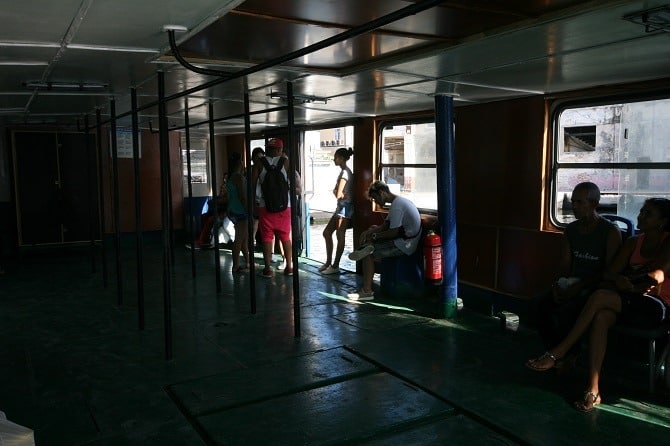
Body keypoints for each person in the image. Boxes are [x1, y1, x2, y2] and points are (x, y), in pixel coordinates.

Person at [526, 198, 670, 412]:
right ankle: (593, 390)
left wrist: (631, 282)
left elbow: (658, 274)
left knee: (601, 296)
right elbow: (611, 272)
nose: (640, 216)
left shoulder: (668, 242)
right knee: (601, 316)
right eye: (641, 211)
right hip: (627, 300)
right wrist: (620, 280)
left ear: (662, 221)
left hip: (657, 304)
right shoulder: (633, 242)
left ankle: (558, 352)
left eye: (648, 214)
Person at [532, 182, 622, 371]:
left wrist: (581, 287)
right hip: (572, 284)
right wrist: (557, 285)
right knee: (539, 304)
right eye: (573, 202)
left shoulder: (610, 232)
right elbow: (565, 265)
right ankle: (553, 351)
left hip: (595, 287)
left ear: (594, 204)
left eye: (580, 202)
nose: (574, 207)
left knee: (569, 311)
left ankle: (569, 355)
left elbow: (609, 271)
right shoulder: (571, 230)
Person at [346, 180, 421, 301]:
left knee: (367, 253)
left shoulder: (397, 205)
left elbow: (393, 232)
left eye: (375, 198)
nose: (376, 202)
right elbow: (384, 226)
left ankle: (367, 291)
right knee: (372, 230)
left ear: (381, 193)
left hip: (405, 244)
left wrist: (374, 237)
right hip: (404, 239)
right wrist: (368, 232)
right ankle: (366, 247)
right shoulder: (398, 202)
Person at [253, 138, 296, 278]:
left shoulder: (259, 163)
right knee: (285, 237)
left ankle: (268, 269)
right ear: (280, 150)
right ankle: (289, 267)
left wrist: (253, 204)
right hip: (285, 206)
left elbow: (252, 186)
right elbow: (292, 183)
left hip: (265, 206)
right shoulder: (286, 162)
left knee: (267, 237)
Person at [319, 147, 354, 275]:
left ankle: (334, 265)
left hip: (344, 209)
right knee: (327, 233)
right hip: (342, 208)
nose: (335, 159)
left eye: (337, 157)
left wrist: (335, 191)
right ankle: (329, 263)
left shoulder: (345, 173)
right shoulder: (346, 172)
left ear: (343, 158)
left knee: (339, 236)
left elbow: (338, 194)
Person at [226, 152, 250, 272]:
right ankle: (236, 266)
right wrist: (248, 211)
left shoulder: (231, 177)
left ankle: (248, 262)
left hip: (233, 210)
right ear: (240, 163)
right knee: (239, 240)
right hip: (240, 211)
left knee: (244, 239)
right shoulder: (238, 178)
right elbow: (242, 196)